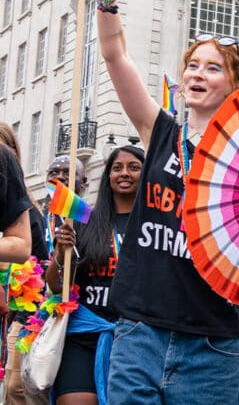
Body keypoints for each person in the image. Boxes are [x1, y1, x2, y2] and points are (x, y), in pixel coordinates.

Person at [96, 0, 239, 404]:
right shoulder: (159, 130)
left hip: (214, 344)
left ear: (236, 84)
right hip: (141, 333)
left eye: (212, 67)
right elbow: (115, 56)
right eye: (192, 65)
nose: (197, 74)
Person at [44, 145, 144, 405]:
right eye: (117, 168)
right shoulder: (83, 221)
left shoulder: (155, 225)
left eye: (134, 167)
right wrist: (60, 253)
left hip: (137, 340)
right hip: (84, 336)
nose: (124, 173)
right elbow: (56, 286)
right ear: (107, 176)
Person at [0, 124, 46, 405]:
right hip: (12, 308)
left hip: (26, 309)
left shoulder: (31, 213)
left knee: (17, 386)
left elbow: (27, 253)